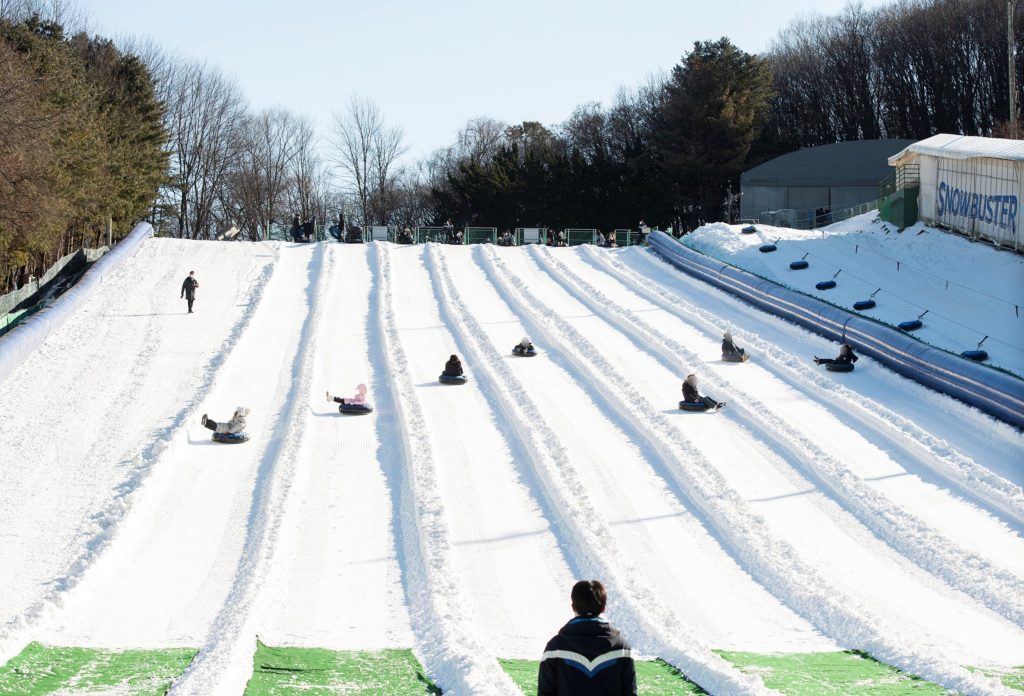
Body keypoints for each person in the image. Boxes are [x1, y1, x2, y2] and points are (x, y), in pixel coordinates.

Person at [538, 580, 636, 696]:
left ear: (573, 607)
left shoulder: (554, 647)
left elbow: (546, 692)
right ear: (603, 608)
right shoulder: (622, 647)